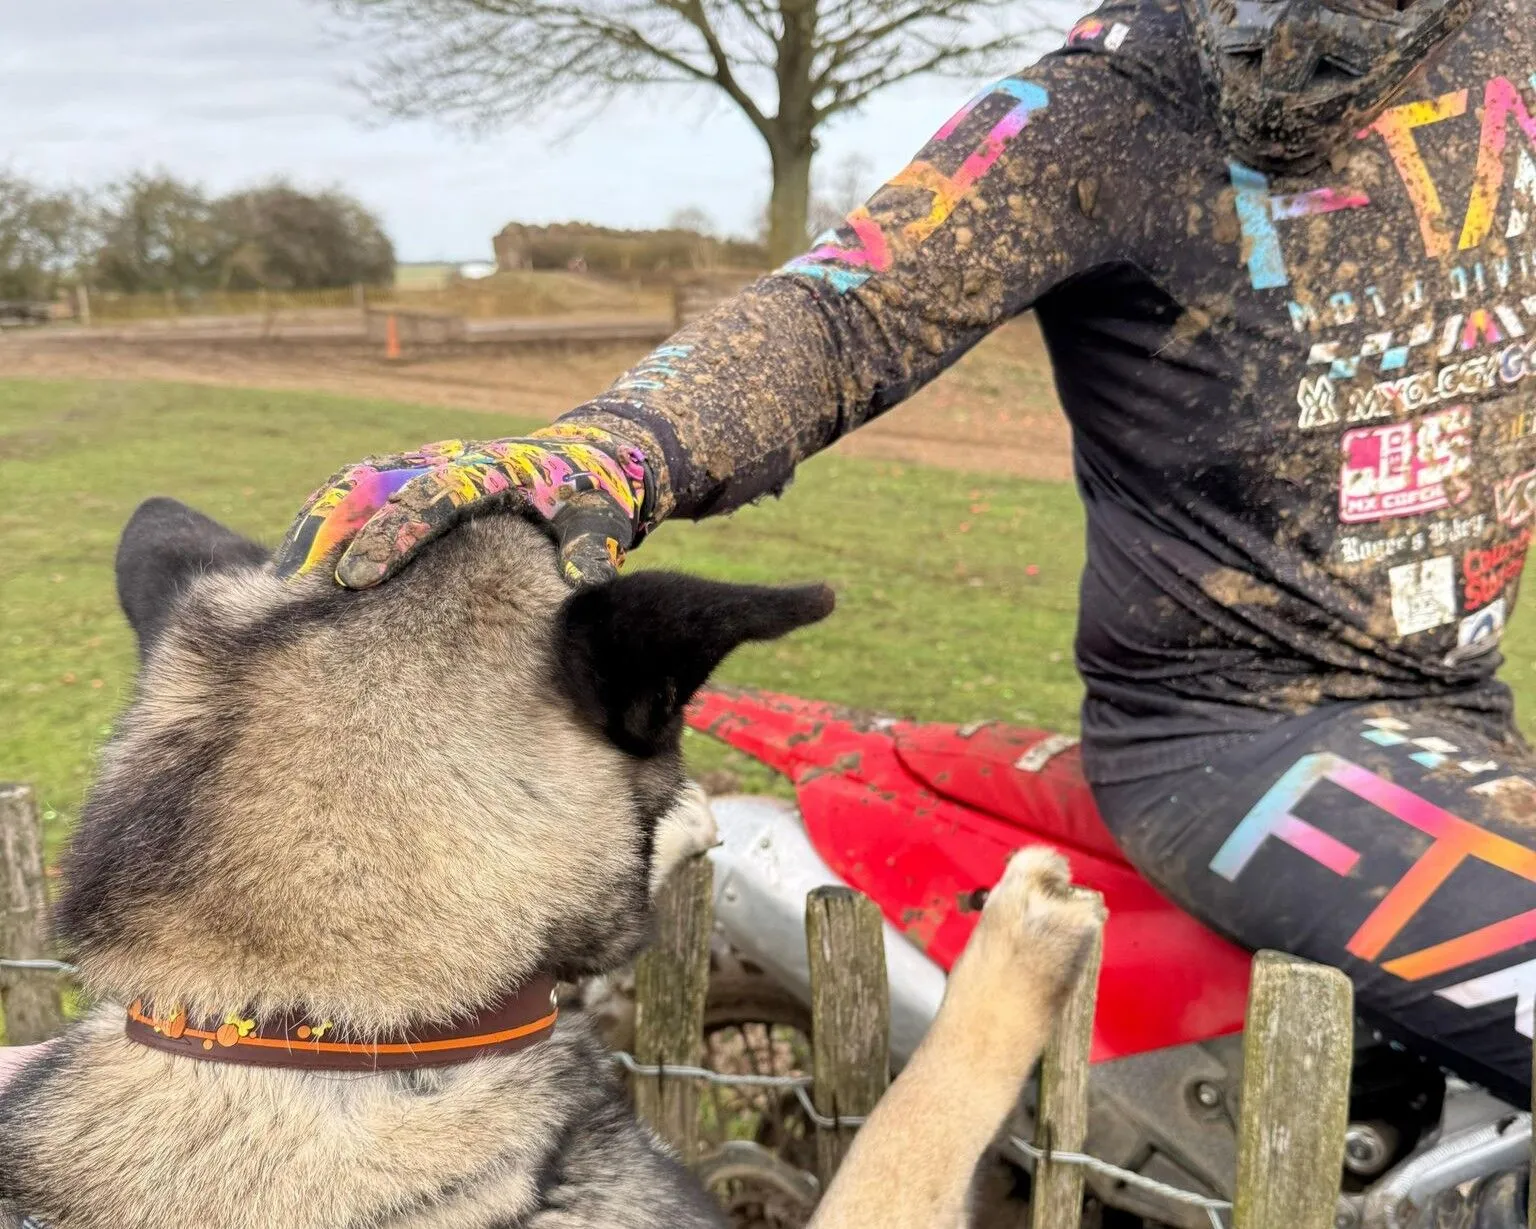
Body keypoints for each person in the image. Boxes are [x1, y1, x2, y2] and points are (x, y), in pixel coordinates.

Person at [277, 0, 1536, 1204]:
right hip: (1238, 737)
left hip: (1457, 714)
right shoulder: (1111, 104)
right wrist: (602, 451)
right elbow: (845, 311)